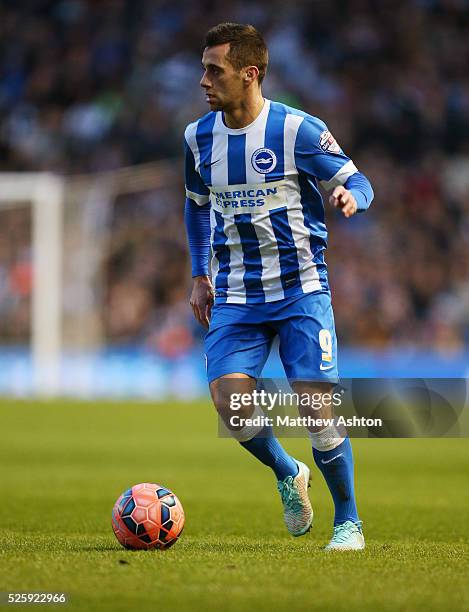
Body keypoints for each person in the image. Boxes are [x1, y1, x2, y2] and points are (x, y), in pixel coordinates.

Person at [184, 22, 373, 550]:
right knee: (230, 405)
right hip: (237, 295)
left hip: (301, 292)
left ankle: (348, 520)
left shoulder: (299, 131)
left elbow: (359, 179)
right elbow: (196, 208)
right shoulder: (198, 139)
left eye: (213, 70)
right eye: (203, 68)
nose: (203, 80)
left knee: (317, 409)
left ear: (250, 74)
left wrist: (353, 198)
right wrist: (200, 275)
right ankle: (288, 472)